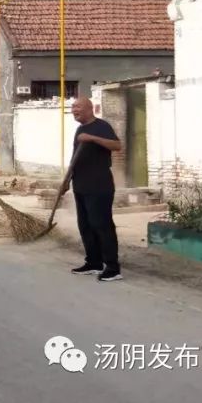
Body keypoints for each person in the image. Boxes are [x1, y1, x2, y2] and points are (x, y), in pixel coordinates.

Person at [60, 97, 123, 282]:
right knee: (85, 226)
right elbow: (75, 158)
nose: (74, 110)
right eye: (72, 107)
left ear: (90, 109)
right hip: (81, 185)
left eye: (77, 107)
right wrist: (67, 180)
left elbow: (117, 145)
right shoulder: (80, 130)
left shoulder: (101, 126)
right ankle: (94, 262)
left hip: (99, 186)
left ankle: (112, 267)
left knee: (101, 225)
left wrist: (92, 139)